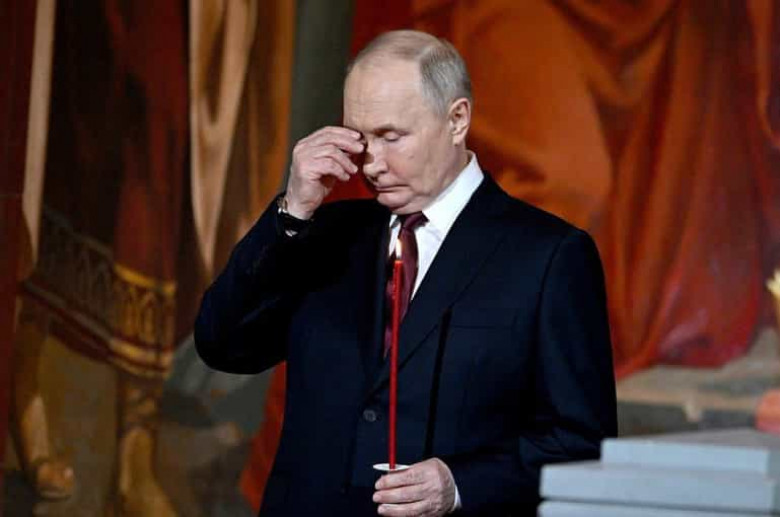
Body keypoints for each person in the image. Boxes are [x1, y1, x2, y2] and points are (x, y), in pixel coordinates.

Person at [194, 29, 617, 516]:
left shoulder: (549, 256)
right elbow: (221, 343)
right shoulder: (322, 233)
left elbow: (581, 442)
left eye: (391, 137)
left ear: (457, 119)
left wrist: (460, 485)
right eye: (360, 139)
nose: (371, 164)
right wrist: (290, 213)